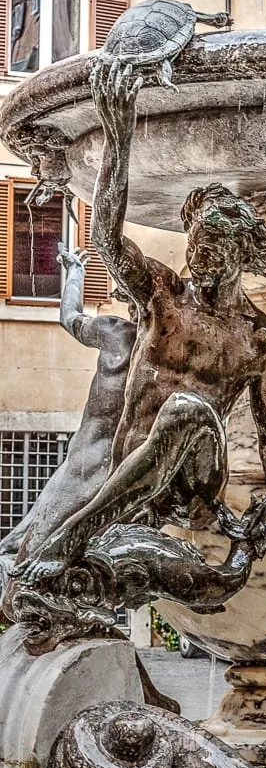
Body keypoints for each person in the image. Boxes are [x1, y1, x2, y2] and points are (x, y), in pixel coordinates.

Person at [14, 60, 266, 593]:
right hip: (129, 471)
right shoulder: (163, 295)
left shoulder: (259, 340)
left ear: (239, 249)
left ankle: (68, 541)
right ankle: (70, 544)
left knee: (188, 411)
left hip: (191, 487)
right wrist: (118, 132)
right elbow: (106, 239)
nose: (200, 253)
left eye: (214, 242)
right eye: (196, 240)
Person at [0, 245, 136, 574]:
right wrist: (75, 274)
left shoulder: (133, 340)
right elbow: (70, 318)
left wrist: (74, 273)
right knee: (21, 548)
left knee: (27, 550)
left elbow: (69, 318)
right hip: (88, 461)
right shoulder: (117, 333)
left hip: (108, 465)